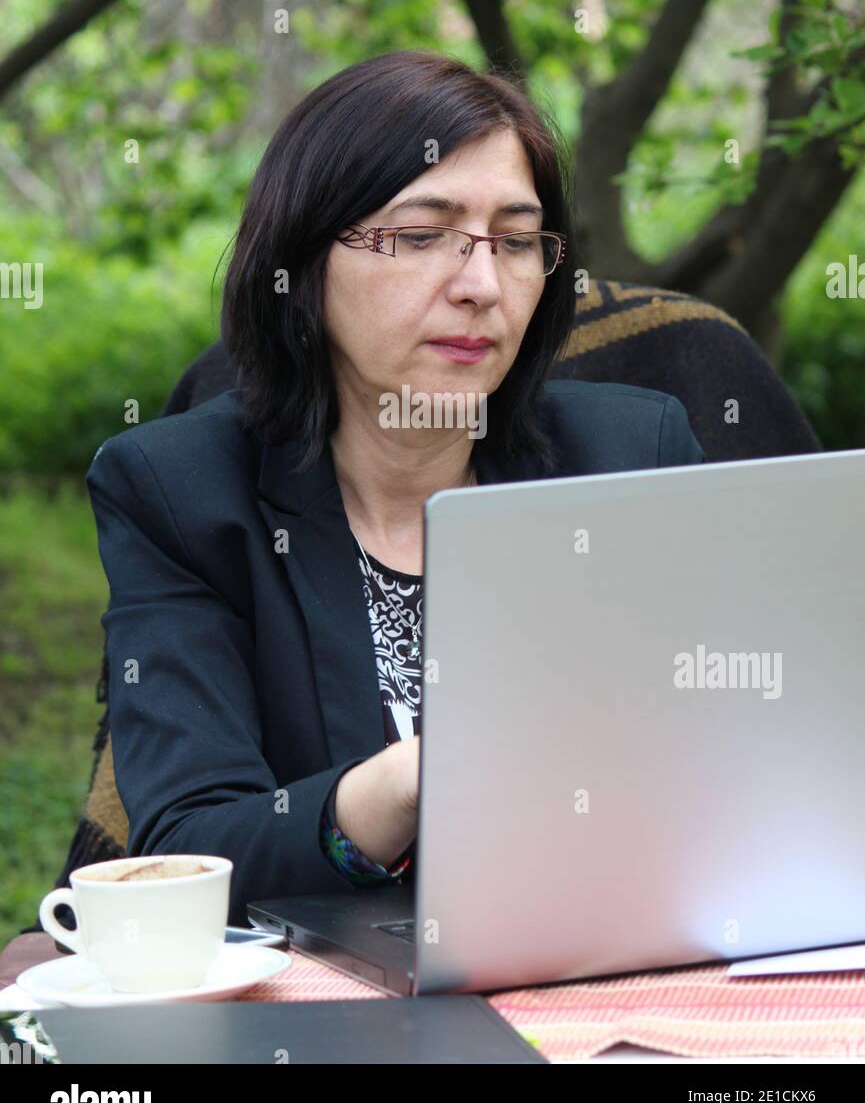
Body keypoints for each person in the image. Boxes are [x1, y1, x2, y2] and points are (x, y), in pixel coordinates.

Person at [86, 49, 704, 926]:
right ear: (303, 263)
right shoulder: (179, 493)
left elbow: (731, 762)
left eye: (518, 242)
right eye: (421, 237)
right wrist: (416, 779)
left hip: (606, 955)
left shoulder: (629, 455)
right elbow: (189, 853)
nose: (482, 287)